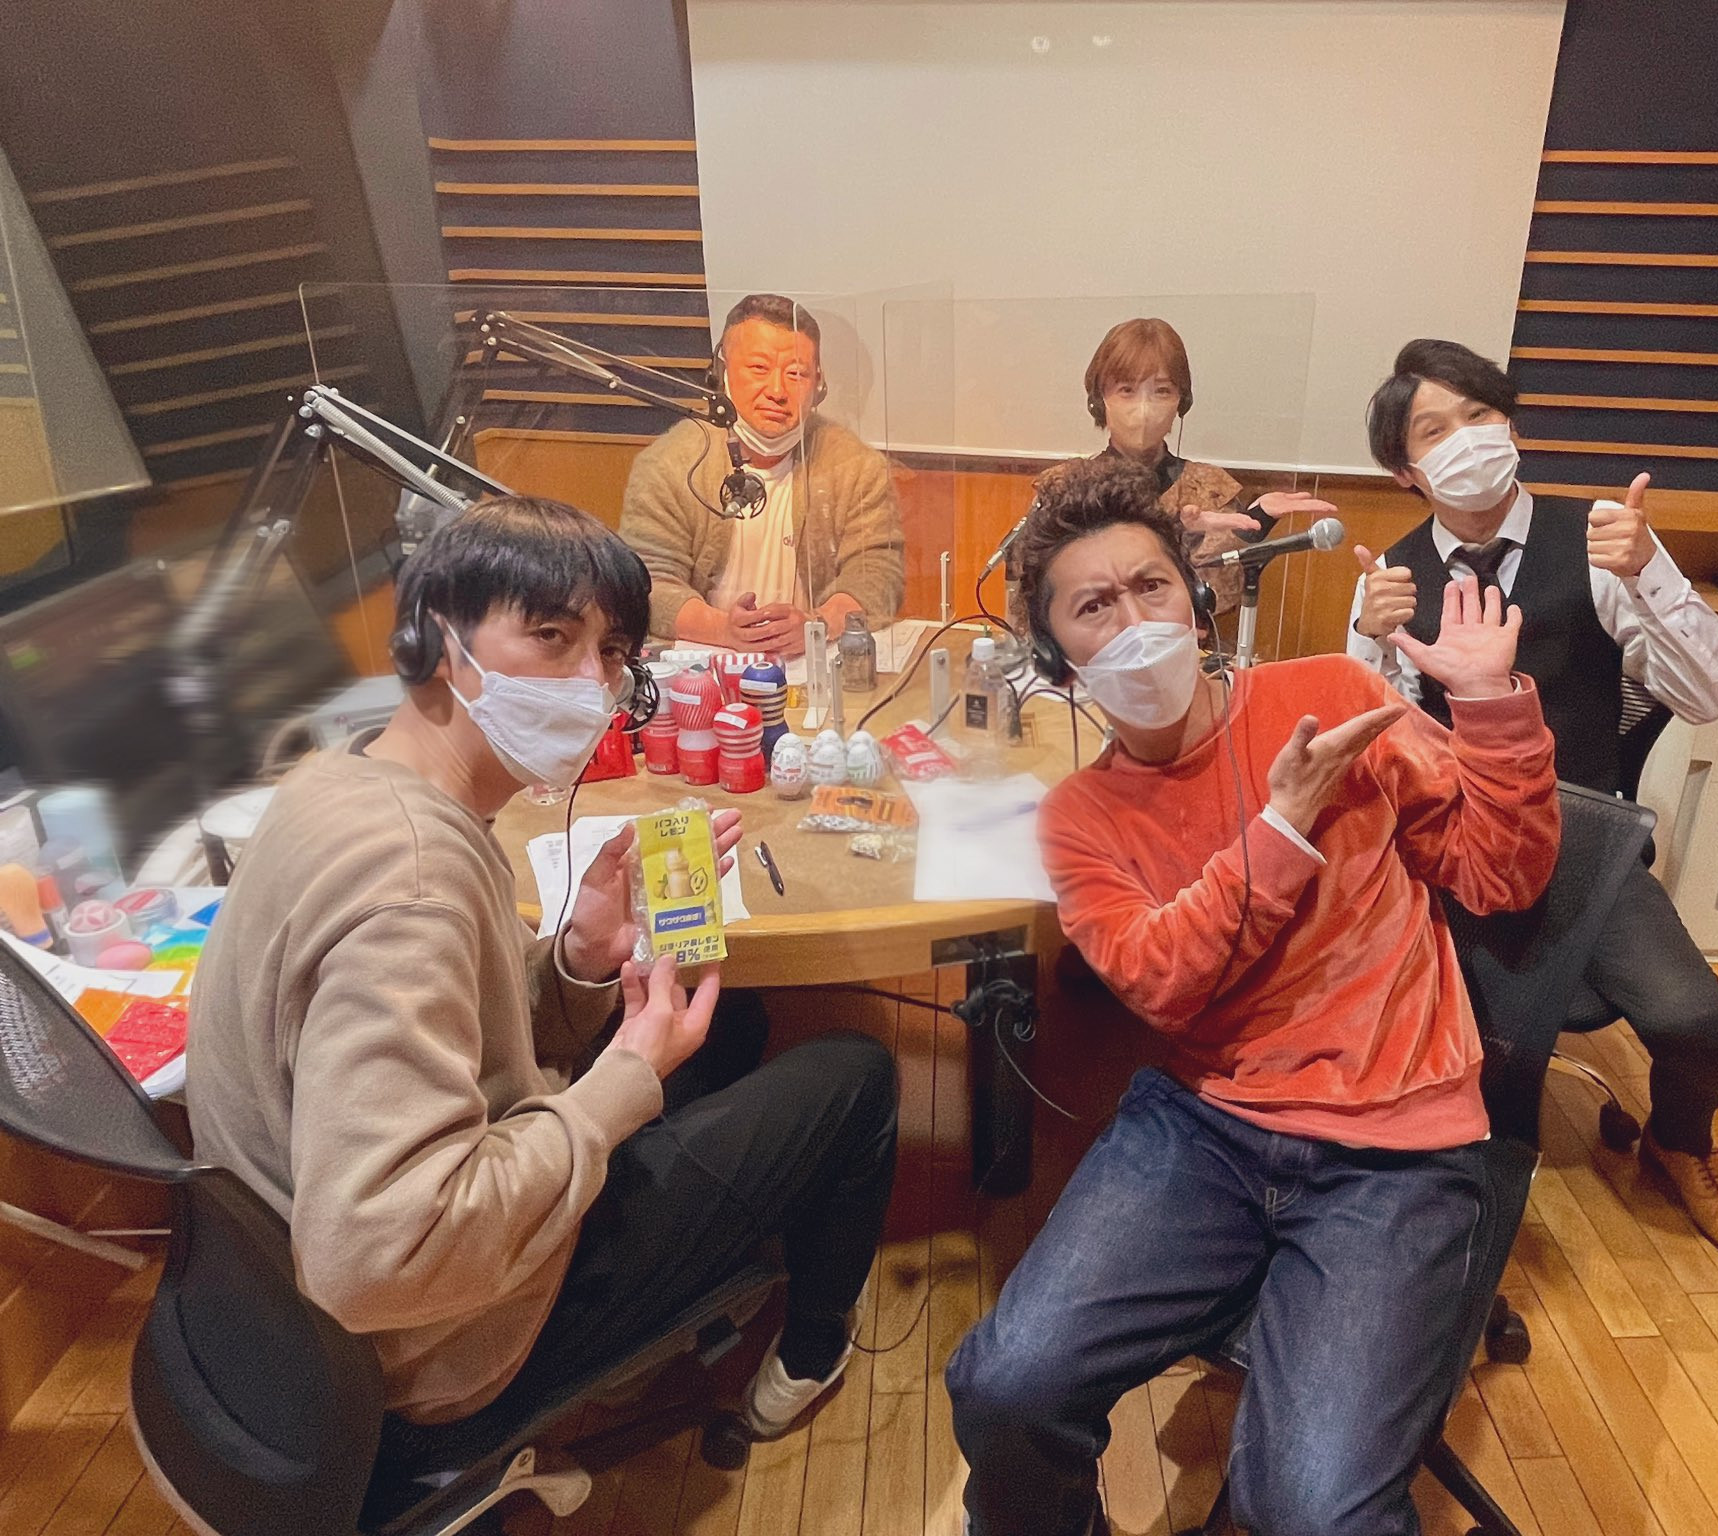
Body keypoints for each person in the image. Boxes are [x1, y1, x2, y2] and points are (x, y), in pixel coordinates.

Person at [186, 495, 899, 1443]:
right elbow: (374, 1262)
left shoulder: (344, 778)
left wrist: (576, 960)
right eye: (552, 637)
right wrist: (621, 1081)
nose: (590, 683)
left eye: (610, 652)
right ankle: (811, 1350)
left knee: (729, 1023)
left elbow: (453, 1029)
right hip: (432, 1345)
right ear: (438, 638)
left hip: (297, 1310)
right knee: (857, 1076)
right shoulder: (412, 886)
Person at [946, 457, 1561, 1536]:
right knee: (1005, 1385)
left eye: (1150, 586)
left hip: (1397, 1144)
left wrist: (1488, 709)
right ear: (1056, 661)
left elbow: (1499, 876)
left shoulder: (1331, 698)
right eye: (1093, 607)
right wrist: (1280, 831)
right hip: (1207, 1127)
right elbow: (1160, 983)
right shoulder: (1078, 818)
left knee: (1313, 1511)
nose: (1132, 621)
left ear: (1196, 600)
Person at [1347, 337, 1718, 1276]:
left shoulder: (1601, 545)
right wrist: (1373, 646)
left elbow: (1711, 697)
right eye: (1435, 430)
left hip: (1583, 839)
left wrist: (1650, 572)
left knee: (1704, 1029)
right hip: (1451, 849)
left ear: (1511, 426)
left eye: (1480, 415)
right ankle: (1445, 1194)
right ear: (1406, 471)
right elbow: (1369, 749)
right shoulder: (1393, 576)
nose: (1467, 438)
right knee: (1444, 1042)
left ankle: (1681, 1141)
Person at [620, 293, 906, 657]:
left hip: (812, 664)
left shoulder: (858, 467)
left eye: (796, 373)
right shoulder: (668, 464)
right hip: (705, 665)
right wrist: (724, 629)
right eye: (758, 368)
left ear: (818, 385)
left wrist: (816, 625)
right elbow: (647, 581)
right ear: (722, 374)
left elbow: (878, 575)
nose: (777, 391)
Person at [1067, 316, 1337, 622]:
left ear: (1181, 402)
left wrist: (1250, 527)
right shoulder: (1066, 486)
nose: (1144, 408)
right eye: (1127, 390)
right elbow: (1048, 592)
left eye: (1162, 391)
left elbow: (1218, 597)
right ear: (1099, 400)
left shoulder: (1210, 487)